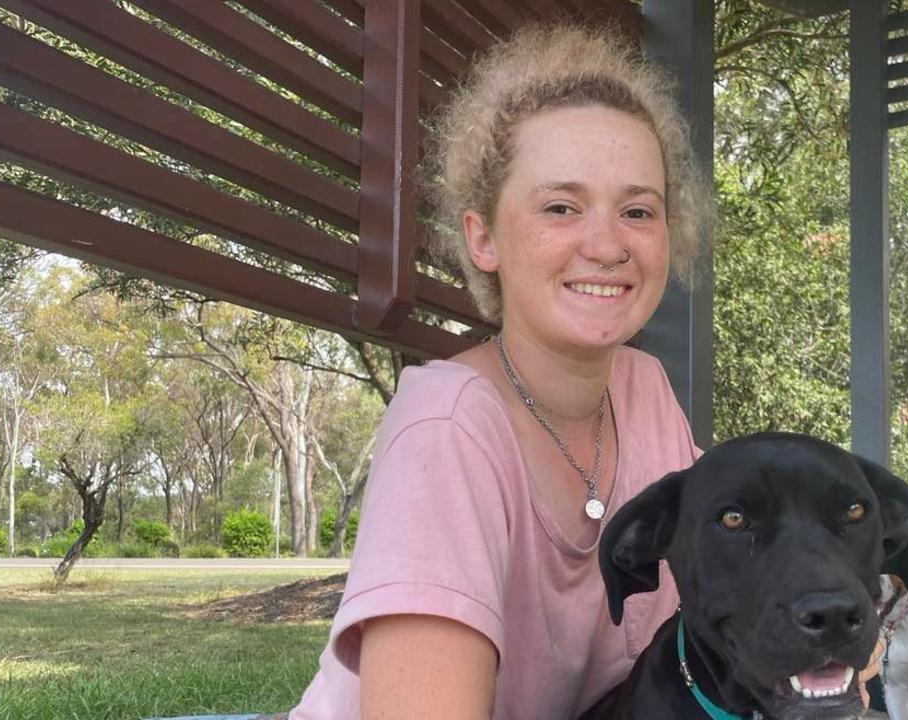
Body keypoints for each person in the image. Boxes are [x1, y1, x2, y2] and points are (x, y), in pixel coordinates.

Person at [287, 23, 713, 720]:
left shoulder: (646, 394)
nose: (607, 244)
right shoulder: (447, 425)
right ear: (482, 237)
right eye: (560, 207)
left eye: (638, 210)